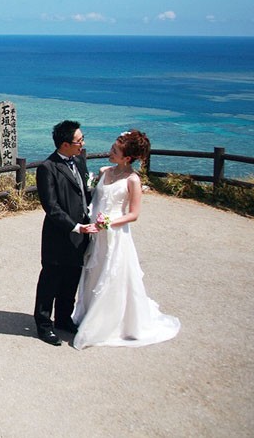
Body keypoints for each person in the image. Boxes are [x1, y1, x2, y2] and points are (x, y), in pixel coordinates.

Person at [71, 130, 180, 349]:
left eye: (115, 151)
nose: (110, 152)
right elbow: (95, 198)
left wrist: (107, 223)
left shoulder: (133, 180)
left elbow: (134, 214)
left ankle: (110, 323)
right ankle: (89, 314)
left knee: (112, 275)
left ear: (127, 158)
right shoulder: (104, 171)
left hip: (116, 234)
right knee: (94, 272)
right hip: (95, 233)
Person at [33, 120, 92, 346]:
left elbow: (85, 194)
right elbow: (51, 206)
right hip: (59, 235)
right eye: (79, 140)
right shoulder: (47, 168)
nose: (82, 143)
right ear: (65, 144)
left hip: (82, 233)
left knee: (72, 278)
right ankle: (44, 324)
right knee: (51, 280)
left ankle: (64, 319)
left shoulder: (80, 161)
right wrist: (74, 226)